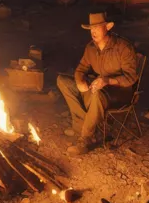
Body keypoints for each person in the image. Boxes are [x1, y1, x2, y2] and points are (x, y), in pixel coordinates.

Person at [57, 12, 139, 156]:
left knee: (97, 94)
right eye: (91, 28)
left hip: (119, 93)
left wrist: (107, 81)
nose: (93, 32)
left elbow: (131, 78)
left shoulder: (123, 47)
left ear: (107, 27)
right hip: (97, 88)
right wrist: (80, 81)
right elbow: (81, 69)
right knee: (62, 81)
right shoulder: (91, 48)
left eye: (97, 27)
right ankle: (83, 124)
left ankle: (85, 139)